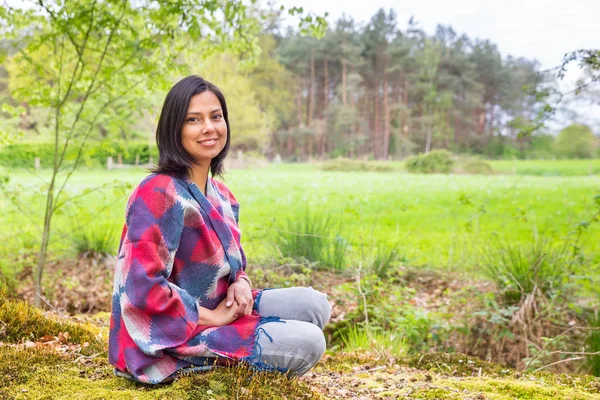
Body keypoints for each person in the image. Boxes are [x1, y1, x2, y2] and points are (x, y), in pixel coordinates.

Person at [108, 75, 331, 384]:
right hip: (171, 334)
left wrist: (241, 283)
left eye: (216, 117)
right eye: (193, 120)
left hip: (223, 309)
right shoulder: (158, 193)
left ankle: (242, 346)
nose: (209, 128)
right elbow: (140, 289)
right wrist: (212, 318)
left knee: (313, 304)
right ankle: (210, 364)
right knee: (309, 342)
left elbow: (234, 266)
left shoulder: (223, 195)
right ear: (174, 129)